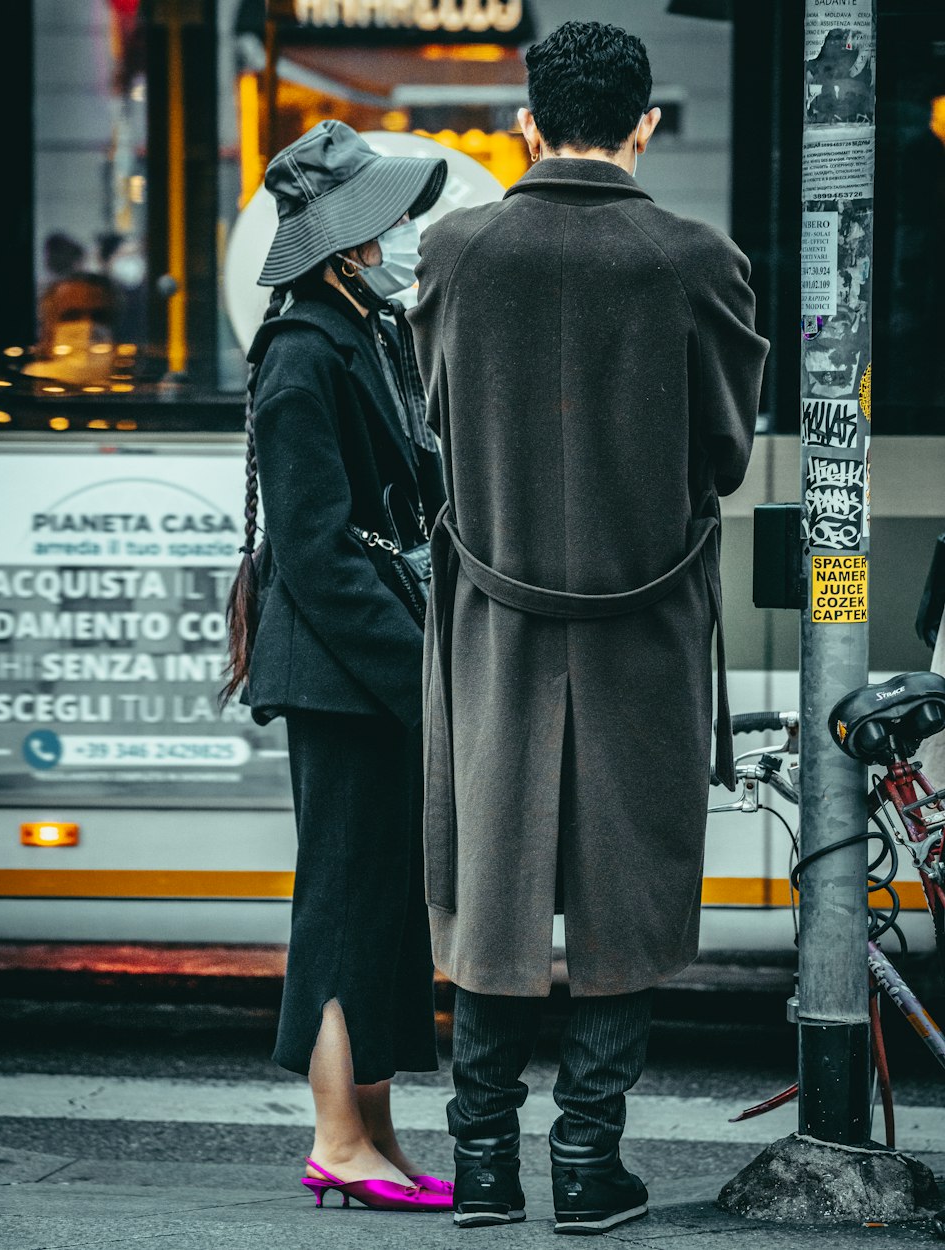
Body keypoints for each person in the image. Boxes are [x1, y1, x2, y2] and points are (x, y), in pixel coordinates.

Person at [408, 21, 769, 1234]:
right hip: (640, 622)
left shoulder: (456, 250)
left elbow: (437, 428)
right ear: (643, 123)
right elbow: (722, 453)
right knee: (625, 888)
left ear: (525, 121)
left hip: (491, 622)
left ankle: (481, 1166)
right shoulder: (694, 258)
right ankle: (583, 1163)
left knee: (494, 884)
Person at [222, 120, 452, 1213]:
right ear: (351, 244)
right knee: (342, 906)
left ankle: (377, 1132)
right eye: (395, 220)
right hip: (340, 673)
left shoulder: (371, 328)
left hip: (369, 669)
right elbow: (315, 551)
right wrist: (420, 675)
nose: (409, 235)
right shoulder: (304, 349)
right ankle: (334, 1137)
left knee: (382, 912)